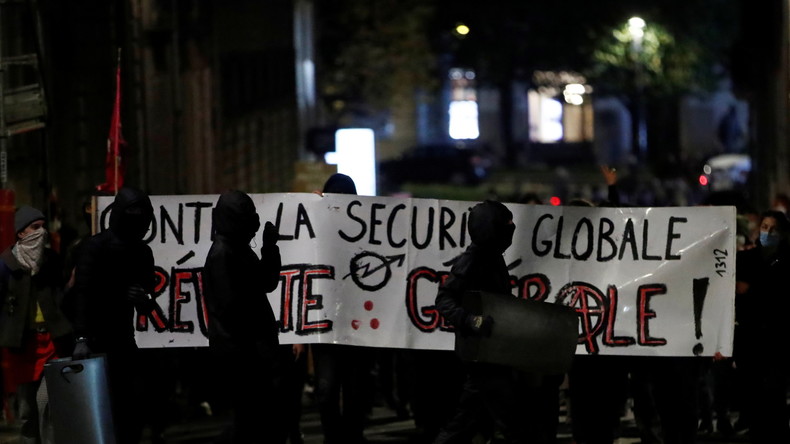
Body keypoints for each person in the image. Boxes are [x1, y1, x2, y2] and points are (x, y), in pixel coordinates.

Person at [433, 199, 533, 443]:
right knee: (509, 421)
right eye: (506, 223)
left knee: (468, 418)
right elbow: (444, 299)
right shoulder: (473, 259)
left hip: (489, 351)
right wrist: (472, 321)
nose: (511, 228)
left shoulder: (492, 257)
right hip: (481, 353)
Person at [68, 186, 157, 444]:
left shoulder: (141, 252)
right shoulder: (94, 247)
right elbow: (83, 293)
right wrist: (82, 337)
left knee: (129, 408)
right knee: (101, 410)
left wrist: (143, 298)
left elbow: (149, 297)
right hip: (96, 339)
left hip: (123, 338)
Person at [202, 189, 284, 444]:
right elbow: (233, 310)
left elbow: (266, 282)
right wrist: (259, 346)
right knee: (249, 420)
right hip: (242, 354)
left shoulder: (238, 249)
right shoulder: (223, 255)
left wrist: (269, 248)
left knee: (256, 419)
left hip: (251, 352)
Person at [311, 173, 375, 444]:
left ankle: (353, 436)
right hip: (324, 326)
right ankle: (333, 437)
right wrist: (311, 209)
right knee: (326, 390)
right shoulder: (314, 228)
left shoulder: (367, 232)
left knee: (355, 390)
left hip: (359, 325)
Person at [0, 205, 73, 444]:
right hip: (23, 345)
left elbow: (60, 294)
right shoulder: (6, 263)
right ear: (21, 232)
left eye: (43, 227)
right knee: (27, 410)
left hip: (52, 341)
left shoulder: (51, 260)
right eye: (35, 227)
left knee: (48, 404)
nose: (41, 232)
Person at [733, 210, 790, 443]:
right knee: (752, 395)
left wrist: (751, 290)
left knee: (774, 395)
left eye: (773, 229)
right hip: (750, 338)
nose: (768, 232)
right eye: (765, 227)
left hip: (777, 339)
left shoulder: (785, 261)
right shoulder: (746, 258)